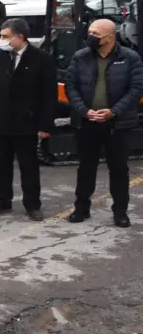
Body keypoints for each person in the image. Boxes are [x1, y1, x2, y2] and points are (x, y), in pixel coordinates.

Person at [65, 19, 143, 228]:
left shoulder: (130, 58)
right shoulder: (80, 57)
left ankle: (120, 212)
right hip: (87, 122)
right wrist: (85, 111)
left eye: (95, 34)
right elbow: (71, 87)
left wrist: (113, 112)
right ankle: (81, 208)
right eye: (90, 31)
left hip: (118, 125)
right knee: (86, 168)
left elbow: (136, 89)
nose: (90, 36)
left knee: (118, 170)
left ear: (110, 37)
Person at [0, 19, 56, 221]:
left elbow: (49, 96)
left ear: (19, 37)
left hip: (27, 123)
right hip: (0, 121)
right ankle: (2, 199)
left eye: (5, 36)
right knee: (0, 164)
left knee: (28, 166)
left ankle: (32, 204)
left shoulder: (42, 59)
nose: (1, 40)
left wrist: (46, 124)